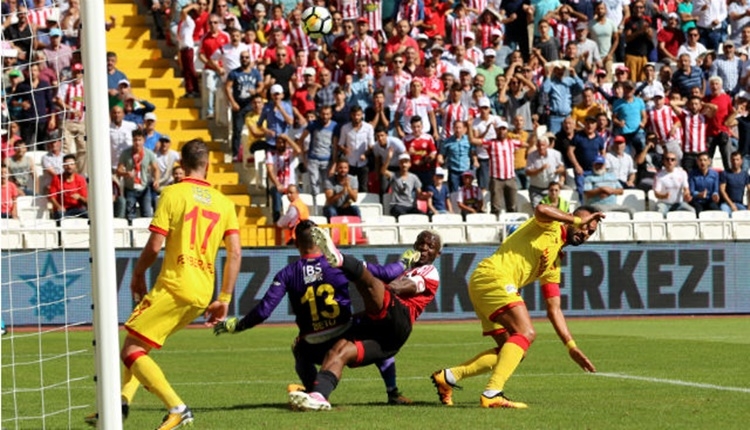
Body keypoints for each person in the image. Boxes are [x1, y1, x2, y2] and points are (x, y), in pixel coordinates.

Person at [85, 139, 241, 429]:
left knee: (130, 351)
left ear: (180, 164)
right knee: (139, 344)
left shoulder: (172, 193)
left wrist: (137, 274)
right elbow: (235, 253)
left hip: (174, 284)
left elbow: (155, 244)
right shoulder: (225, 204)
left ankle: (177, 408)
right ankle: (119, 403)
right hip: (203, 290)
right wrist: (225, 298)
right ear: (208, 165)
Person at [214, 220, 417, 404]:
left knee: (298, 347)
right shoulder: (337, 264)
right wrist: (404, 262)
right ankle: (392, 391)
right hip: (345, 334)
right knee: (374, 330)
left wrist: (238, 325)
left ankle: (313, 389)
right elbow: (386, 273)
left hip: (313, 343)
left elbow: (264, 310)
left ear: (295, 244)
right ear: (321, 242)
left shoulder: (287, 273)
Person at [430, 204, 601, 408]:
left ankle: (449, 377)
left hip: (484, 282)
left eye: (590, 232)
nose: (585, 232)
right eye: (584, 225)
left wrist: (571, 346)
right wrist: (576, 221)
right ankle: (492, 393)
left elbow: (554, 308)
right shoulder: (551, 225)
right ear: (572, 217)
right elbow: (541, 209)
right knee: (526, 332)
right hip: (493, 277)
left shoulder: (554, 260)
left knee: (511, 350)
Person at [288, 227, 442, 411]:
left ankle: (341, 259)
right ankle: (318, 395)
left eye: (430, 246)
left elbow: (399, 287)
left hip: (400, 321)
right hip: (384, 337)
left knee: (373, 286)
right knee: (339, 351)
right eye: (420, 243)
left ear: (437, 253)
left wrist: (382, 274)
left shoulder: (429, 271)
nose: (424, 248)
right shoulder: (404, 269)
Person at [116, 129, 160, 221]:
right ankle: (131, 235)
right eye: (135, 140)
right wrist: (126, 173)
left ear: (144, 140)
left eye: (139, 140)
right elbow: (118, 170)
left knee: (147, 214)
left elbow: (156, 168)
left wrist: (156, 180)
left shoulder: (148, 153)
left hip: (144, 187)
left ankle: (146, 235)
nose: (137, 143)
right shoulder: (126, 153)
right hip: (130, 188)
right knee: (130, 215)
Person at [653, 151, 695, 216]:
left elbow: (686, 189)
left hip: (678, 203)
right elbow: (656, 194)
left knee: (692, 211)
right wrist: (664, 196)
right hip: (664, 203)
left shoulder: (682, 173)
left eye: (672, 159)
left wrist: (687, 195)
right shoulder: (659, 175)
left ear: (676, 162)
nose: (670, 162)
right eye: (667, 159)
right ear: (664, 161)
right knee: (660, 213)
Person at [48, 154, 88, 220]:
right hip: (63, 210)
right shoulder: (57, 179)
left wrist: (79, 197)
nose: (69, 167)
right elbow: (51, 197)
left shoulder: (80, 179)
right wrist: (59, 206)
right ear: (63, 166)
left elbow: (86, 201)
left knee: (89, 215)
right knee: (59, 215)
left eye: (71, 164)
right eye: (66, 164)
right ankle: (59, 230)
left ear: (75, 165)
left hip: (77, 209)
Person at [386, 154, 424, 219]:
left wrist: (426, 195)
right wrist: (388, 158)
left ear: (410, 164)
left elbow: (419, 194)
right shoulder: (394, 175)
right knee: (403, 216)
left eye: (406, 162)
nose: (404, 165)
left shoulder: (414, 177)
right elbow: (383, 171)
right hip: (397, 205)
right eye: (402, 162)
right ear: (399, 164)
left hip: (410, 206)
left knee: (423, 217)